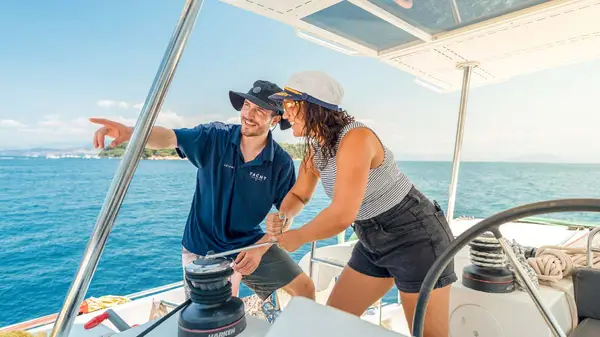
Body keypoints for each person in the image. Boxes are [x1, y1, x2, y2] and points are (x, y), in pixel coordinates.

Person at [264, 71, 456, 337]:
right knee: (332, 323)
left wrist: (299, 236)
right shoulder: (315, 149)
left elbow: (342, 214)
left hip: (416, 235)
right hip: (371, 237)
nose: (284, 114)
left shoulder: (356, 138)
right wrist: (283, 217)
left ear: (312, 107)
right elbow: (300, 195)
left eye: (289, 105)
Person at [90, 79, 315, 303]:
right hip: (201, 244)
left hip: (249, 244)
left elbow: (287, 212)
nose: (248, 114)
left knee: (305, 289)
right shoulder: (214, 136)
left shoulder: (281, 163)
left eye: (259, 110)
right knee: (211, 316)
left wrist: (261, 247)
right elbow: (170, 137)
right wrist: (131, 133)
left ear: (275, 119)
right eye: (247, 105)